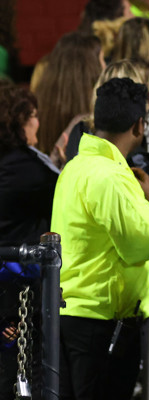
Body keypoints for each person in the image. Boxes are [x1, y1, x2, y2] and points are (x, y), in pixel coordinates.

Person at [51, 78, 149, 400]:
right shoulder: (110, 176)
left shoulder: (74, 167)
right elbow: (141, 243)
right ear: (139, 125)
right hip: (100, 322)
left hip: (73, 314)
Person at [0, 81, 58, 400]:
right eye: (33, 115)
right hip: (14, 294)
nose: (38, 122)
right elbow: (64, 194)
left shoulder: (13, 161)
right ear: (19, 120)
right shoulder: (24, 168)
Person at [32, 32, 105, 162]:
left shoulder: (39, 104)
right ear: (91, 69)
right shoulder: (93, 115)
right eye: (102, 59)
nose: (106, 66)